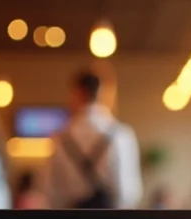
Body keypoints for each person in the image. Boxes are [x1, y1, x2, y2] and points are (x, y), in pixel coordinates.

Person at [39, 69, 142, 209]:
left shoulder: (59, 139)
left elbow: (49, 192)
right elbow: (129, 193)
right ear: (102, 94)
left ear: (77, 93)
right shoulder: (122, 135)